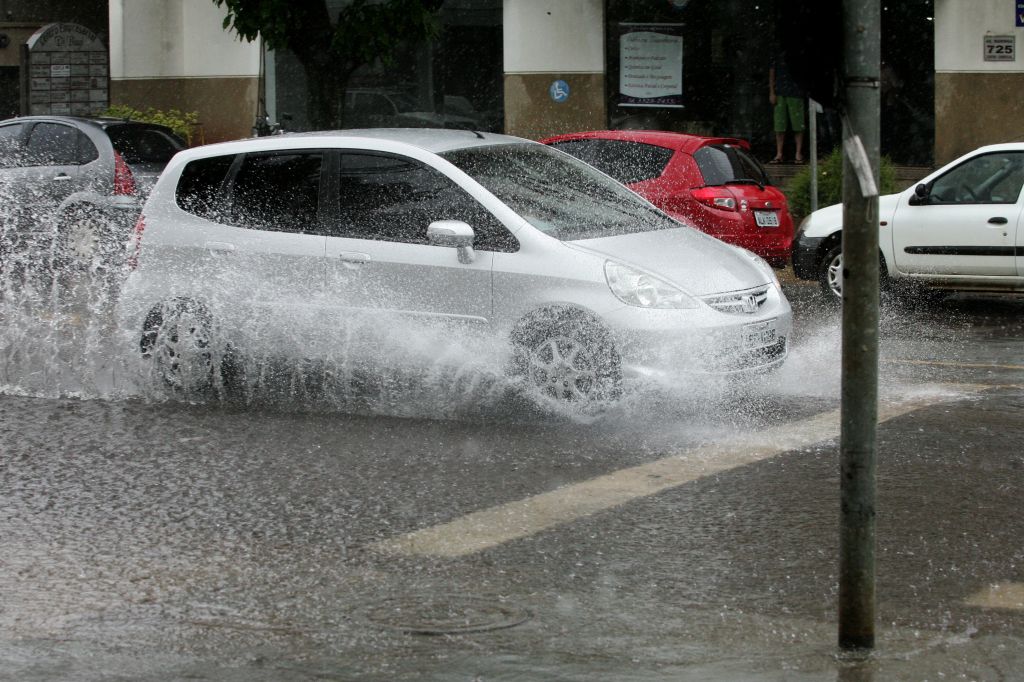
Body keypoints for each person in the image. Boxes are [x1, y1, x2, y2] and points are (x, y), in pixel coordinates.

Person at [768, 54, 806, 164]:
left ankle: (798, 153)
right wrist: (772, 92)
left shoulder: (800, 52)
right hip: (780, 92)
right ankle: (779, 153)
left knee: (798, 125)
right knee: (779, 125)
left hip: (796, 92)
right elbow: (772, 72)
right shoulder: (777, 52)